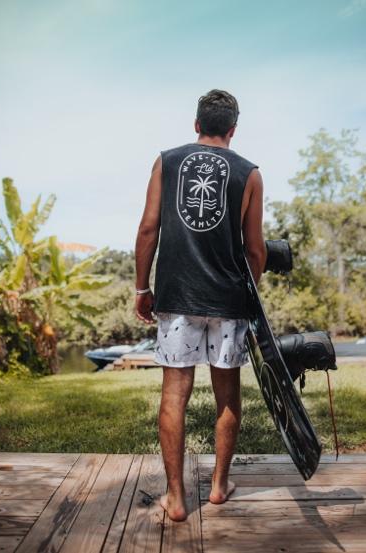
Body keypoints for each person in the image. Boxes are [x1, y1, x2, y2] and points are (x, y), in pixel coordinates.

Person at [134, 89, 267, 522]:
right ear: (232, 129)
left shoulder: (166, 162)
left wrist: (141, 287)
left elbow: (148, 228)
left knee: (175, 394)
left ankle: (175, 498)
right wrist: (250, 294)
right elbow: (255, 250)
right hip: (228, 299)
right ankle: (218, 486)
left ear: (196, 125)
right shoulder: (249, 174)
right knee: (227, 394)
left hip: (178, 295)